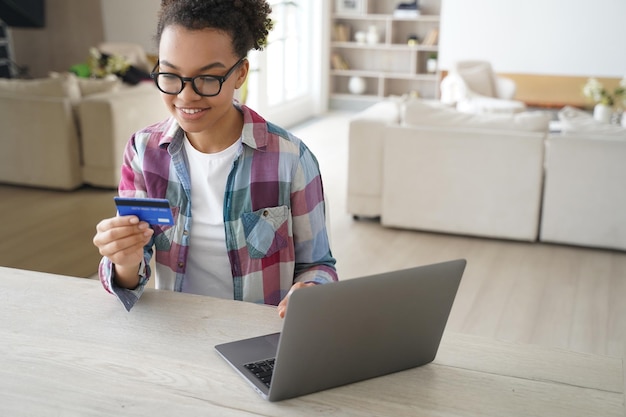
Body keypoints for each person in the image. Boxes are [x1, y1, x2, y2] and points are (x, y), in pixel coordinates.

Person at [92, 0, 337, 317]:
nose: (186, 96)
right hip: (176, 331)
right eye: (170, 74)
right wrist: (125, 259)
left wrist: (311, 290)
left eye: (208, 78)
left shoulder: (291, 159)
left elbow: (319, 265)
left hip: (258, 335)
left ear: (240, 74)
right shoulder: (143, 152)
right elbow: (131, 276)